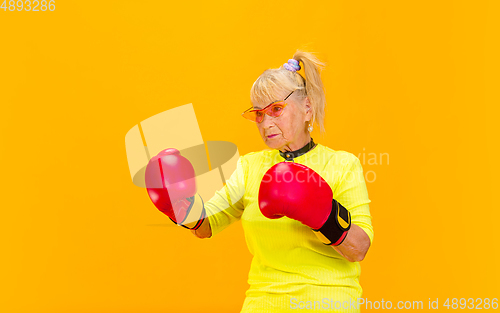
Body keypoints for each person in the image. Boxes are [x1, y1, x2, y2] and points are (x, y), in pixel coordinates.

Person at [146, 50, 374, 313]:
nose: (266, 122)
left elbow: (359, 248)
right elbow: (205, 225)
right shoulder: (249, 167)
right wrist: (177, 203)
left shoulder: (342, 164)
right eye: (259, 114)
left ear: (307, 108)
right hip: (262, 304)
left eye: (276, 109)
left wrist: (322, 214)